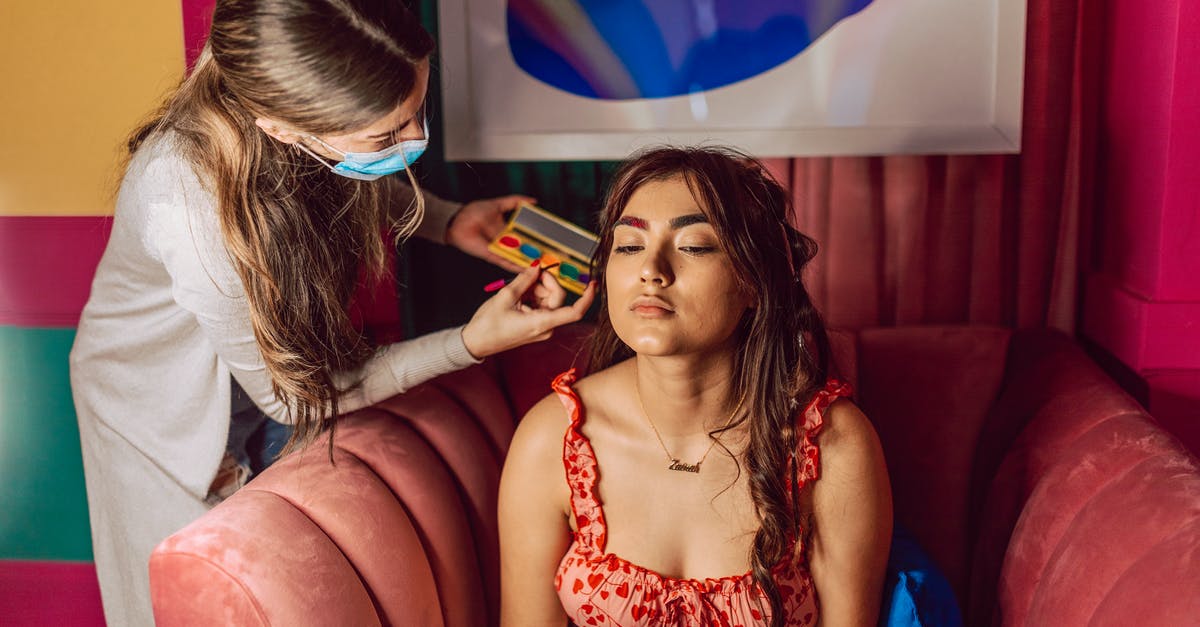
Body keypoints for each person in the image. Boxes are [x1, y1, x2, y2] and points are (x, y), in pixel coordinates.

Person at [68, 1, 594, 624]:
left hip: (267, 381)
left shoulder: (291, 126)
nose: (417, 142)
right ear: (282, 128)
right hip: (161, 409)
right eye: (388, 136)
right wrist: (469, 343)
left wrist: (451, 222)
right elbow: (295, 400)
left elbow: (339, 171)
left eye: (416, 113)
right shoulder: (187, 209)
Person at [498, 146, 892, 626]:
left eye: (694, 246)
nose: (651, 270)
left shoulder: (834, 445)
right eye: (628, 246)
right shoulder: (552, 440)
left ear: (754, 282)